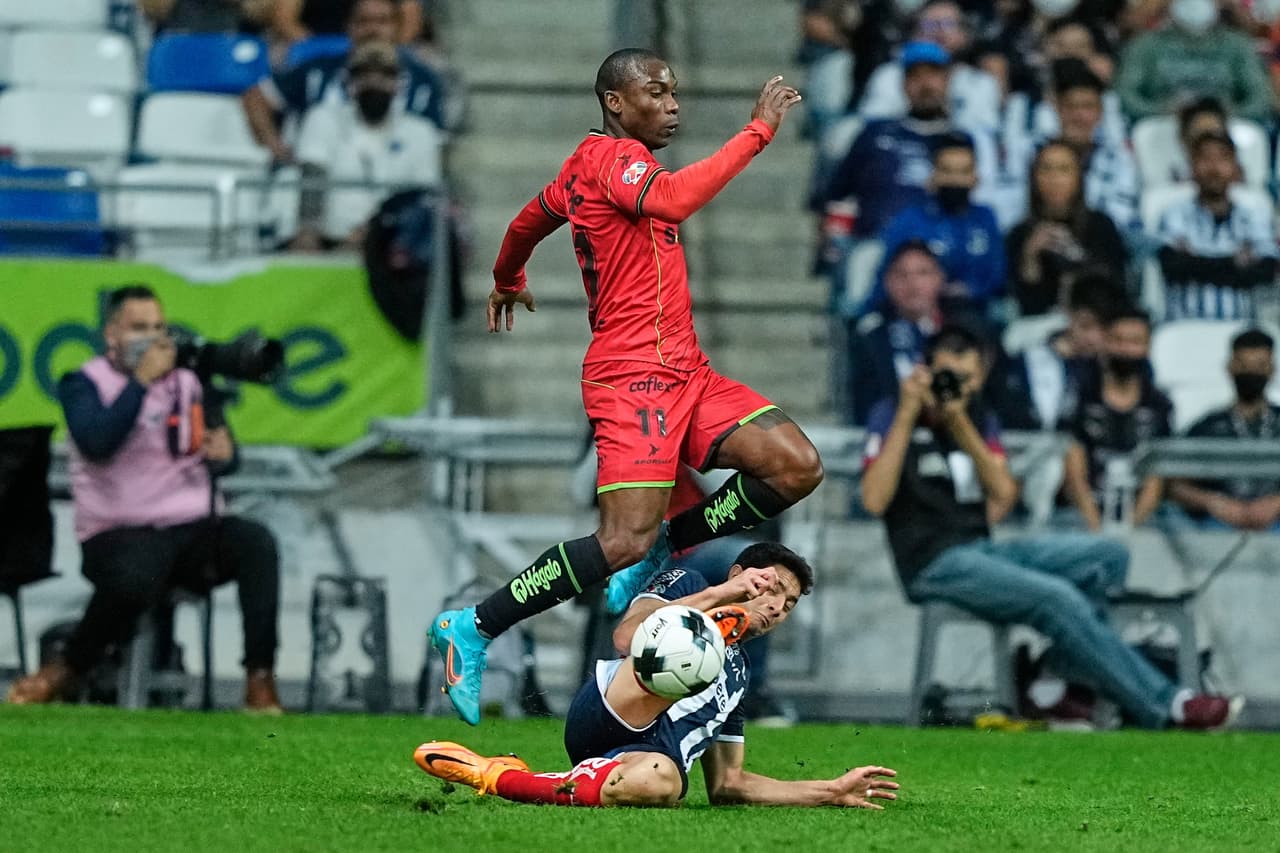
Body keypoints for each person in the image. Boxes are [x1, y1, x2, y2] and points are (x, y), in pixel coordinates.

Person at [427, 50, 824, 726]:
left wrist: (508, 275)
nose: (672, 104)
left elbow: (531, 217)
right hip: (632, 376)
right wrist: (757, 132)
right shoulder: (616, 163)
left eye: (676, 92)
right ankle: (474, 624)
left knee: (796, 465)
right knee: (619, 544)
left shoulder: (587, 169)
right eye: (657, 92)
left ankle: (670, 541)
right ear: (615, 102)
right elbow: (673, 199)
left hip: (686, 371)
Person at [861, 323, 1241, 729]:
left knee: (1108, 554)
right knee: (1057, 599)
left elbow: (1004, 492)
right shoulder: (890, 413)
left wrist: (959, 423)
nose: (956, 386)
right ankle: (1168, 704)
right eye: (947, 375)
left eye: (967, 378)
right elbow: (874, 500)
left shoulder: (977, 416)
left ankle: (1055, 672)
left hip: (981, 549)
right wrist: (907, 412)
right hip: (930, 562)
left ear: (983, 375)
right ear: (925, 370)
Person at [416, 543, 901, 809]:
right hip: (608, 711)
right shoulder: (688, 584)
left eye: (788, 604)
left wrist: (829, 791)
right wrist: (720, 596)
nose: (775, 606)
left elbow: (728, 784)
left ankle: (500, 777)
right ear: (739, 574)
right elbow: (627, 638)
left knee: (661, 784)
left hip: (645, 760)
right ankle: (704, 637)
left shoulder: (740, 677)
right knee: (682, 641)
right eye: (770, 587)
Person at [6, 286, 282, 713]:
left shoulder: (189, 381)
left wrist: (226, 455)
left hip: (191, 527)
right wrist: (139, 383)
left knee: (257, 543)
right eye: (139, 328)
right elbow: (97, 441)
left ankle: (259, 678)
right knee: (140, 570)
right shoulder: (83, 383)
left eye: (158, 327)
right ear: (112, 334)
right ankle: (69, 666)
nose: (153, 337)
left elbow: (220, 454)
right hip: (117, 532)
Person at [821, 41, 996, 240]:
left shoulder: (960, 141)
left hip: (940, 251)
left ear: (947, 80)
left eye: (933, 74)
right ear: (903, 84)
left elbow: (976, 203)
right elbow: (838, 196)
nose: (925, 84)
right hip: (875, 244)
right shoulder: (875, 135)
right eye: (915, 76)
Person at [241, 0, 447, 164]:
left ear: (397, 27)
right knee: (320, 119)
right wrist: (278, 148)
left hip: (395, 184)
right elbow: (256, 97)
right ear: (349, 27)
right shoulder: (317, 70)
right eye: (363, 22)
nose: (372, 30)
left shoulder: (423, 81)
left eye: (382, 21)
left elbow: (433, 145)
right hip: (323, 183)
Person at [289, 41, 442, 250]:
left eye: (384, 76)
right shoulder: (324, 118)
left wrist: (375, 232)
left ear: (398, 83)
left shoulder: (419, 132)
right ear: (350, 82)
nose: (374, 83)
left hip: (394, 247)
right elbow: (313, 175)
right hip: (330, 243)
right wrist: (309, 232)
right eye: (364, 75)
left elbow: (420, 195)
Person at [865, 132, 1005, 316]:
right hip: (915, 317)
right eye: (947, 170)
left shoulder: (985, 218)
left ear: (975, 178)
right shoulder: (910, 219)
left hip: (975, 317)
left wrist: (970, 291)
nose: (955, 180)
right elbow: (887, 278)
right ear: (932, 176)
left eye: (963, 171)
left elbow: (998, 277)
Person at [1061, 307, 1171, 531]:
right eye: (1117, 340)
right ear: (1104, 342)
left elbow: (1156, 476)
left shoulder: (1159, 404)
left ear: (1148, 347)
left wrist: (1129, 528)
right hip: (1079, 514)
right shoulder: (1081, 396)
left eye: (1135, 341)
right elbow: (1073, 468)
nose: (1125, 349)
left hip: (1142, 519)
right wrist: (1095, 527)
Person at [1002, 58, 1138, 233]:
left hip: (1099, 240)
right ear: (1057, 108)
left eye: (1088, 107)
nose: (1079, 115)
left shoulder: (1119, 158)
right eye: (1071, 106)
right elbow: (1014, 209)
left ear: (1100, 112)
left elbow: (1122, 216)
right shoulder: (1030, 152)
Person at [1154, 131, 1278, 322]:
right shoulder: (1174, 214)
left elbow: (1266, 272)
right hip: (1184, 328)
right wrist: (1235, 264)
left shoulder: (1255, 216)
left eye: (1223, 158)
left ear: (1236, 168)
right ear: (1192, 167)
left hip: (1241, 330)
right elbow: (1173, 267)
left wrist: (1195, 260)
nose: (1213, 168)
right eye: (1205, 158)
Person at [1169, 328, 1280, 530]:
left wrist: (1275, 503)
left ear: (1272, 370)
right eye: (1244, 365)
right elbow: (1175, 484)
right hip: (1217, 525)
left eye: (1260, 366)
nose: (1252, 373)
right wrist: (1215, 503)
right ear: (1230, 368)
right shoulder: (1206, 427)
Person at [1005, 141, 1127, 316]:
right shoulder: (1020, 233)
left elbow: (1116, 286)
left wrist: (1076, 257)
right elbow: (1026, 304)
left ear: (1079, 177)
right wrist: (1030, 256)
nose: (1054, 179)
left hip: (1097, 322)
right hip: (1040, 324)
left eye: (1064, 169)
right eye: (1046, 169)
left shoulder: (1100, 225)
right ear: (1034, 177)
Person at [1116, 0, 1273, 124]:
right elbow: (1126, 96)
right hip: (1161, 126)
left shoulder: (1238, 45)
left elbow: (1260, 98)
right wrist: (1159, 111)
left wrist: (1230, 113)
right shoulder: (1146, 45)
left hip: (1228, 127)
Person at [858, 0, 1003, 132]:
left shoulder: (980, 82)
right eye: (929, 25)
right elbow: (875, 124)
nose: (939, 32)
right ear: (914, 33)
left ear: (963, 34)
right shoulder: (889, 75)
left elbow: (983, 132)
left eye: (948, 24)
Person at [847, 240, 946, 425]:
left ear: (940, 278)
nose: (912, 283)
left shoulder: (962, 333)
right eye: (902, 274)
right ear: (887, 281)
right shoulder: (869, 336)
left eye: (922, 273)